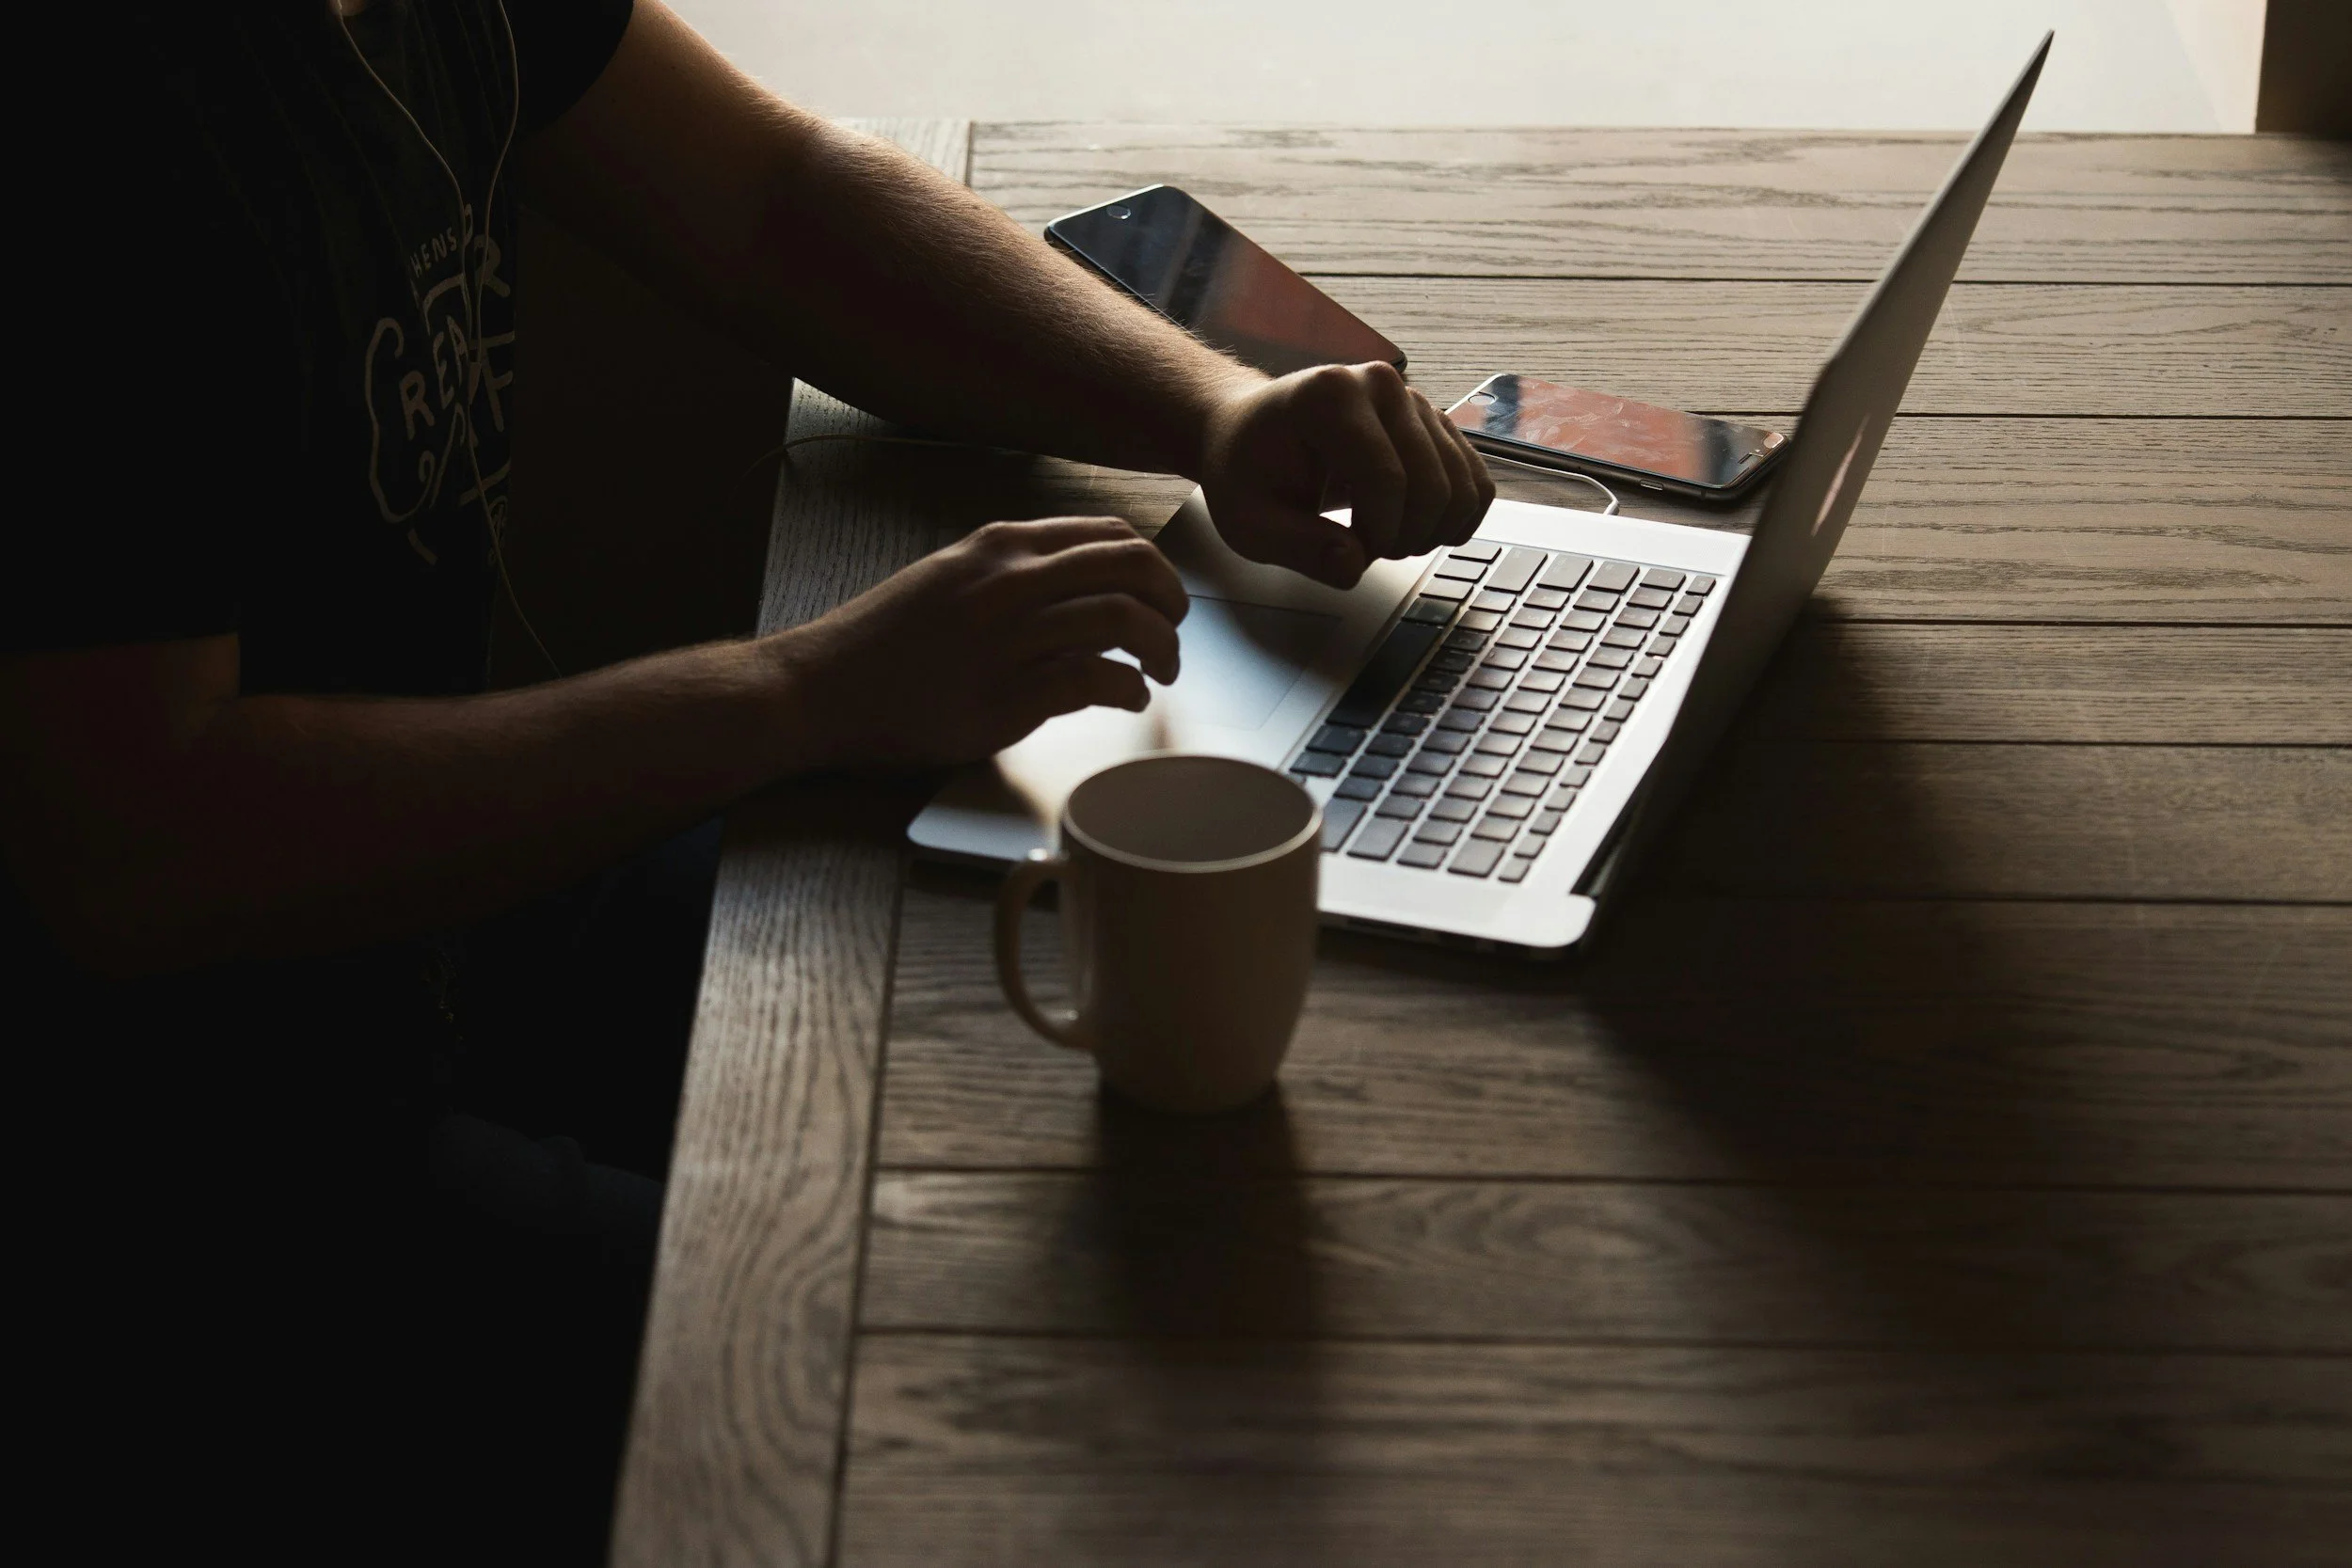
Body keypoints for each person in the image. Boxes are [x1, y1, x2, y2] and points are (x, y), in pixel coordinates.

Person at [2, 0, 1491, 1556]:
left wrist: (1209, 407)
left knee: (1078, 992)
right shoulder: (81, 108)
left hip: (442, 919)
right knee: (955, 1392)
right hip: (184, 1161)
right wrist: (805, 689)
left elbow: (776, 203)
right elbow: (137, 840)